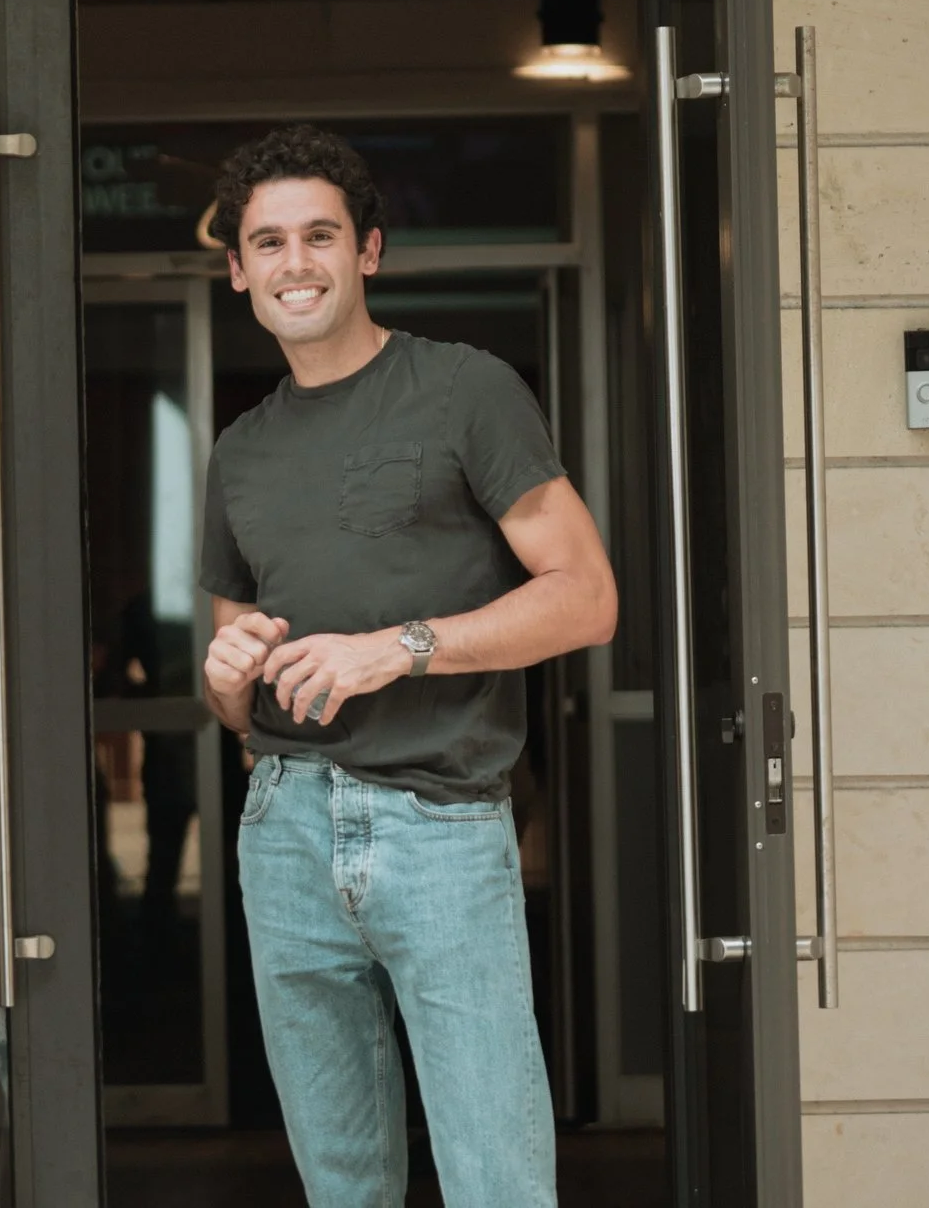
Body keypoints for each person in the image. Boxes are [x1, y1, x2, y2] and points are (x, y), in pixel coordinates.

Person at [196, 127, 618, 1207]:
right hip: (283, 828)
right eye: (269, 243)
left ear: (367, 250)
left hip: (439, 826)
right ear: (237, 270)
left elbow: (585, 596)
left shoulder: (464, 391)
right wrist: (230, 667)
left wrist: (401, 649)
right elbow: (229, 680)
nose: (296, 263)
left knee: (495, 1175)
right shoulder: (239, 451)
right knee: (340, 1181)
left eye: (320, 237)